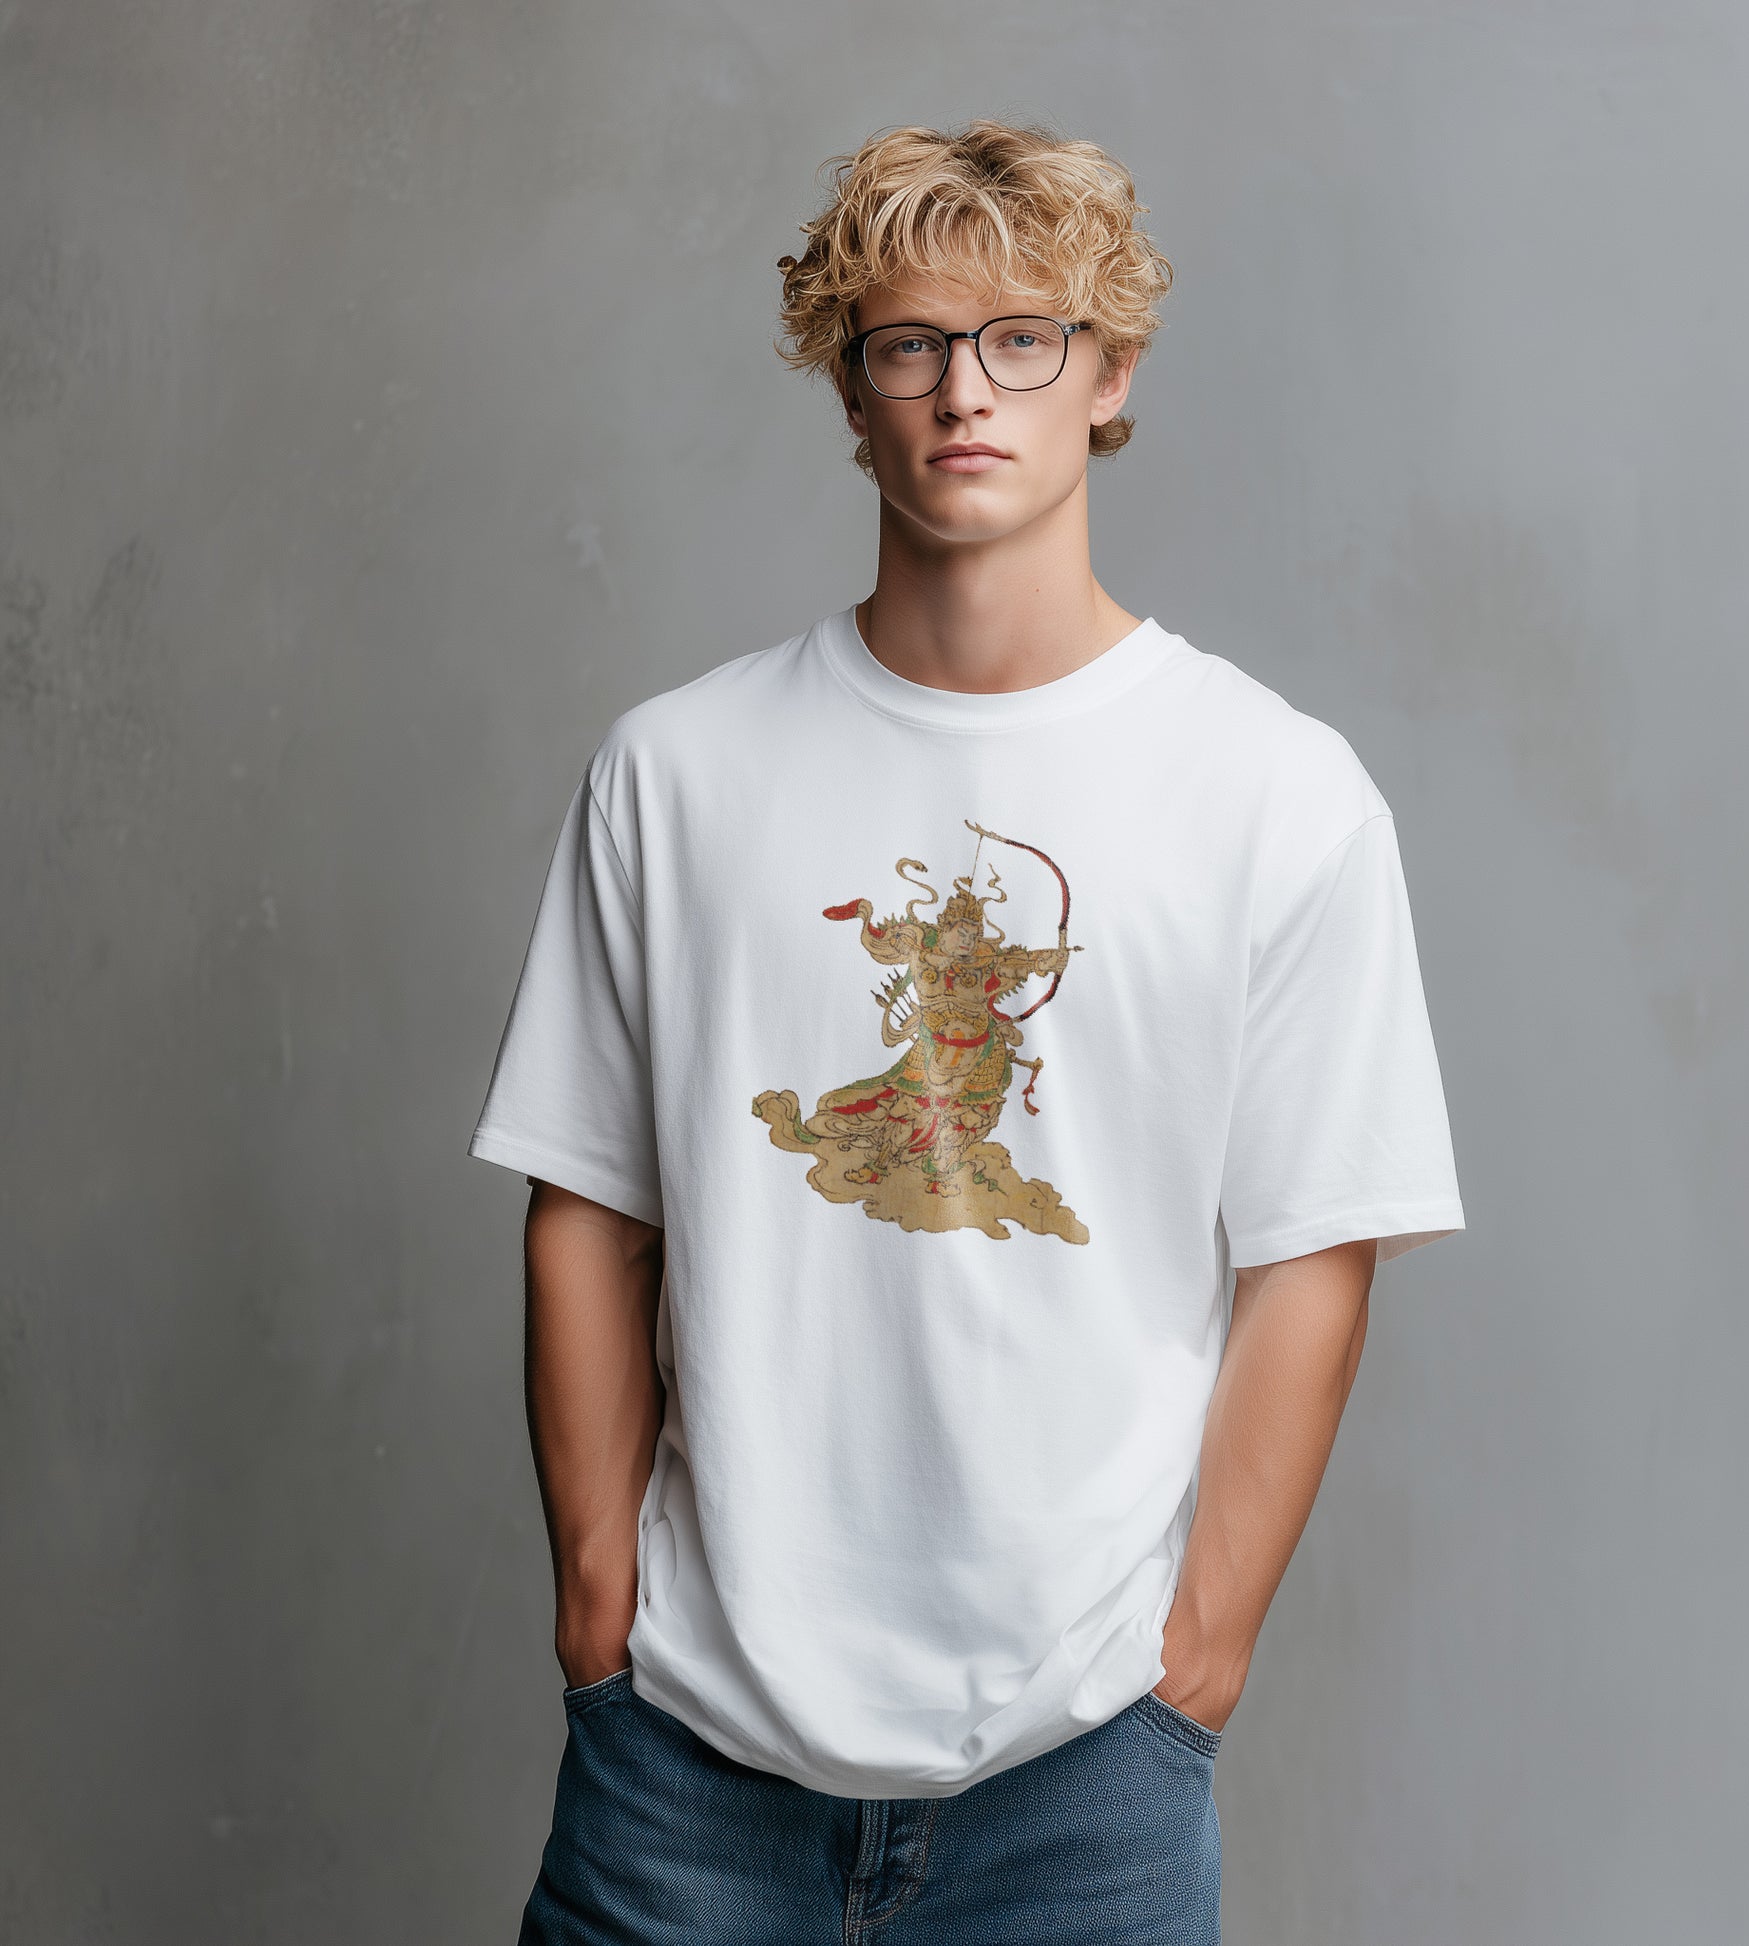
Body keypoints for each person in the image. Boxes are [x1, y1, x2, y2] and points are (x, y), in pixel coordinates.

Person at [468, 119, 1464, 1945]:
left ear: (1109, 373)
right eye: (909, 345)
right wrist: (600, 1611)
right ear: (849, 392)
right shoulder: (676, 773)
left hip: (1082, 1781)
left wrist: (1196, 1662)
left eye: (1022, 337)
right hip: (685, 1765)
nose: (962, 391)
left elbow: (1314, 1249)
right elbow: (588, 1209)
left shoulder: (1274, 792)